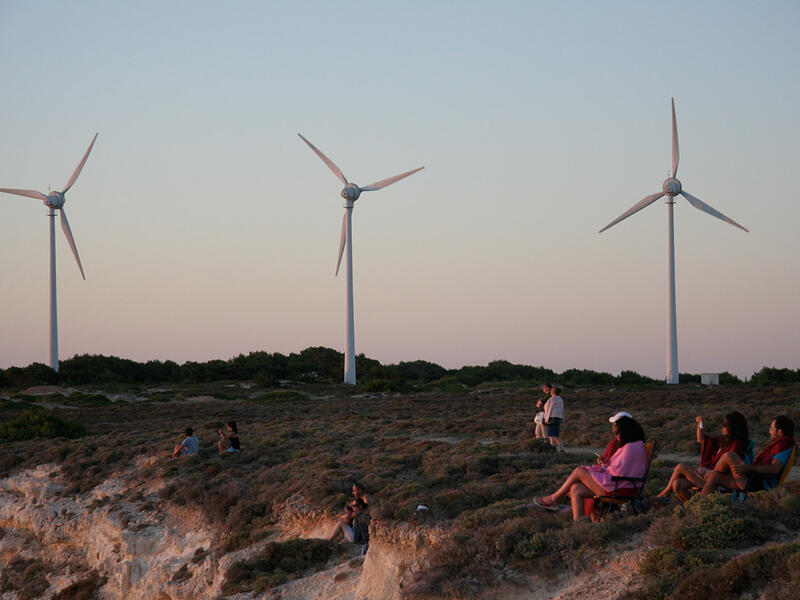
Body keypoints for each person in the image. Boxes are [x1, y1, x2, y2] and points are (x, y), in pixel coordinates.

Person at [533, 416, 647, 521]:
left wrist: (602, 468)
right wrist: (606, 463)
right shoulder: (633, 446)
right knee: (576, 488)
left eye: (617, 434)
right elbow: (620, 468)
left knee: (580, 471)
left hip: (619, 488)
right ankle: (579, 525)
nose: (616, 438)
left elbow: (616, 472)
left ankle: (554, 499)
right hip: (624, 485)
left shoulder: (629, 449)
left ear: (624, 433)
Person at [655, 412, 749, 502]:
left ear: (733, 427)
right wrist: (700, 424)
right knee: (677, 484)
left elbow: (727, 468)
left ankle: (664, 495)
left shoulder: (736, 444)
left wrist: (706, 472)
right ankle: (691, 508)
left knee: (681, 467)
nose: (722, 427)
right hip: (706, 475)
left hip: (716, 480)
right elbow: (702, 439)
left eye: (725, 424)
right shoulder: (723, 440)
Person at [700, 416, 795, 496]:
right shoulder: (784, 444)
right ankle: (699, 508)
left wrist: (749, 468)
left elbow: (774, 469)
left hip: (758, 484)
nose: (769, 431)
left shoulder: (782, 446)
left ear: (780, 432)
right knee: (715, 476)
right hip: (754, 480)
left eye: (771, 429)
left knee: (729, 456)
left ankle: (707, 474)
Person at [543, 385, 565, 451]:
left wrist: (546, 419)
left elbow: (549, 409)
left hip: (552, 418)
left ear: (552, 392)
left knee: (551, 435)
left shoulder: (552, 399)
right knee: (557, 435)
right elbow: (562, 409)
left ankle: (552, 449)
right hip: (558, 418)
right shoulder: (560, 399)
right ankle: (561, 449)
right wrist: (563, 418)